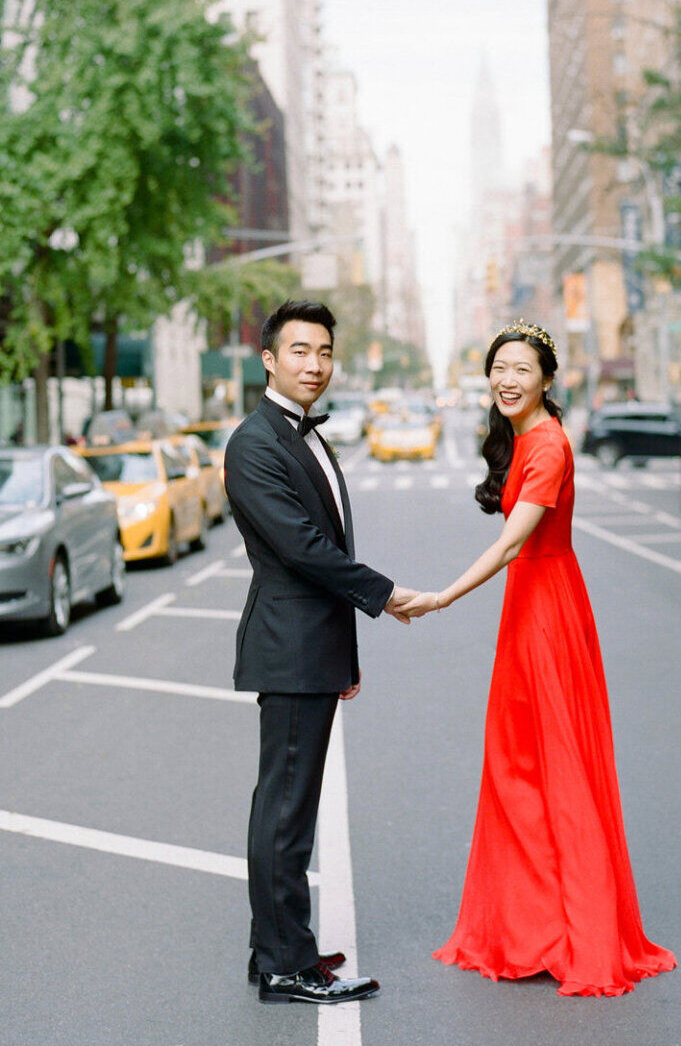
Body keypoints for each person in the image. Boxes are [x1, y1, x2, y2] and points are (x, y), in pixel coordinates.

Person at [401, 318, 677, 997]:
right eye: (500, 368)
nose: (508, 379)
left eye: (522, 369)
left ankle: (573, 933)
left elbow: (512, 546)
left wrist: (440, 598)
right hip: (532, 609)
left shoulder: (548, 444)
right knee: (520, 769)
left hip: (546, 612)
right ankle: (536, 928)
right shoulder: (526, 437)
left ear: (548, 380)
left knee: (555, 770)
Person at [224, 299, 415, 1005]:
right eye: (300, 351)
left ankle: (279, 948)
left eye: (324, 352)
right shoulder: (255, 442)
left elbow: (325, 547)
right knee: (283, 810)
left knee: (287, 806)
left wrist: (348, 656)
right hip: (288, 646)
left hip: (312, 646)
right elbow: (303, 551)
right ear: (269, 359)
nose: (315, 363)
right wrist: (388, 594)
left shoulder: (304, 435)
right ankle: (283, 965)